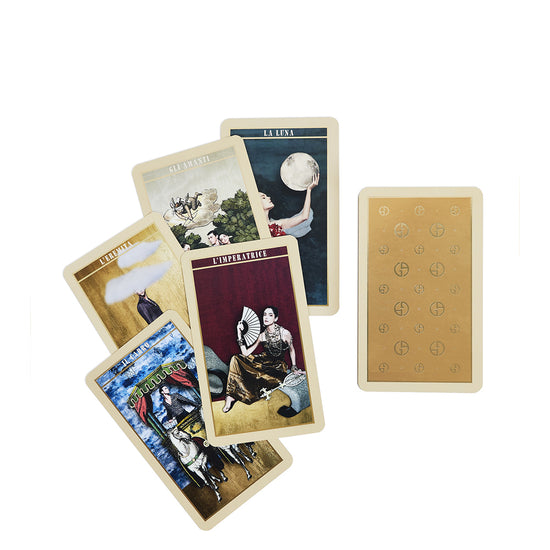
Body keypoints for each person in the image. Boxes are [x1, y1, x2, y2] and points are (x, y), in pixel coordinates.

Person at [223, 306, 302, 413]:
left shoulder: (285, 333)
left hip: (277, 368)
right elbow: (245, 353)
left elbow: (291, 350)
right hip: (262, 361)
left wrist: (294, 366)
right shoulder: (262, 336)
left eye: (270, 315)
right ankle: (230, 396)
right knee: (236, 358)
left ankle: (240, 394)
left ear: (276, 318)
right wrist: (239, 333)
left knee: (260, 377)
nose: (266, 317)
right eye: (264, 315)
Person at [260, 173, 319, 237]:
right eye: (263, 198)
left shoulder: (277, 224)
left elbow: (304, 217)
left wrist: (309, 190)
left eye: (266, 196)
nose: (269, 197)